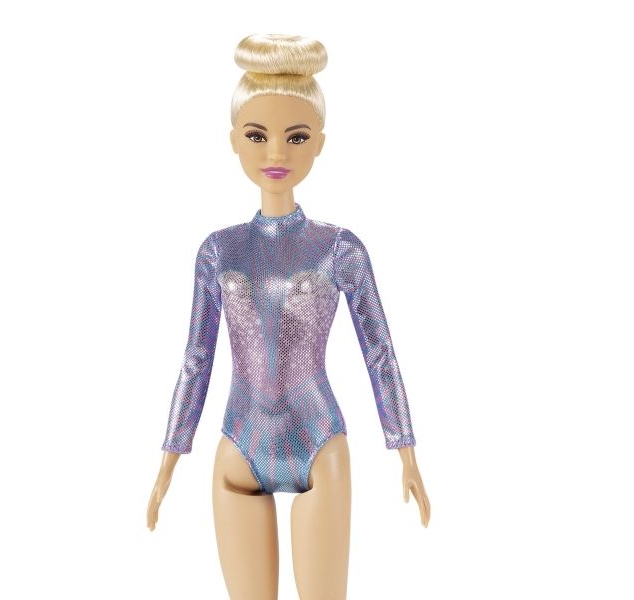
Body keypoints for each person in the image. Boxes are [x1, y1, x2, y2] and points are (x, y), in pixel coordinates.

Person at [147, 33, 430, 600]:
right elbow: (196, 360)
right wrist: (168, 461)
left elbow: (379, 353)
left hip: (318, 442)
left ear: (318, 142)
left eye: (295, 137)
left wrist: (406, 451)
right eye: (258, 136)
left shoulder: (339, 249)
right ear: (234, 139)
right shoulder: (218, 251)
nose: (276, 153)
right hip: (239, 447)